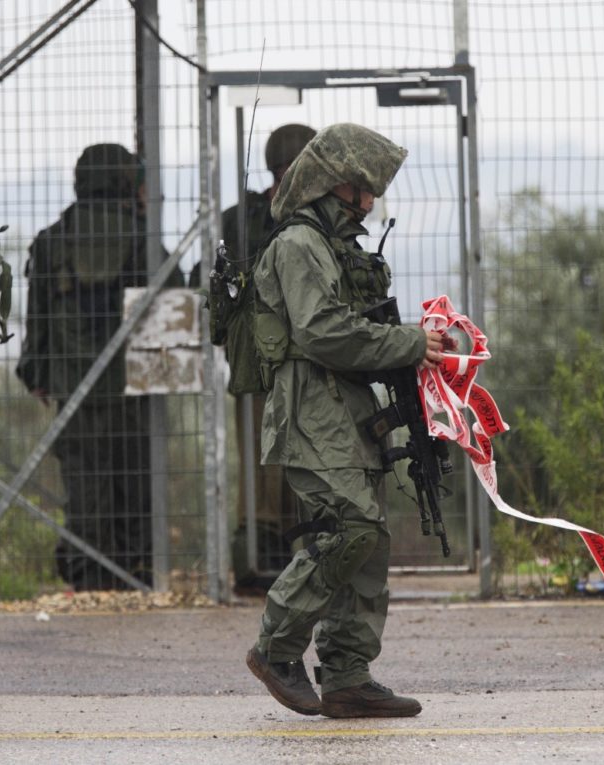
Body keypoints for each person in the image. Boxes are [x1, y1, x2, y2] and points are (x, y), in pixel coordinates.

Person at [244, 123, 446, 718]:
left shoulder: (338, 246)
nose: (371, 200)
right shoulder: (300, 244)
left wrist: (409, 349)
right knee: (349, 529)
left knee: (371, 541)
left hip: (348, 413)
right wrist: (407, 344)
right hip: (312, 414)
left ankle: (347, 675)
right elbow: (321, 331)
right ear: (338, 186)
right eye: (363, 187)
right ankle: (275, 650)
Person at [16, 144, 165, 591]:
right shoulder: (143, 239)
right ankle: (136, 575)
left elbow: (37, 318)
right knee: (135, 480)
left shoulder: (51, 241)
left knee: (84, 485)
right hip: (134, 388)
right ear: (123, 180)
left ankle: (88, 579)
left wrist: (36, 374)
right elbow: (173, 304)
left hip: (73, 387)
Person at [223, 123, 317, 596]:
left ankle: (304, 560)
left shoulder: (322, 218)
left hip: (315, 361)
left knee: (305, 466)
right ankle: (258, 563)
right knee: (262, 468)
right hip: (258, 364)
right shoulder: (241, 220)